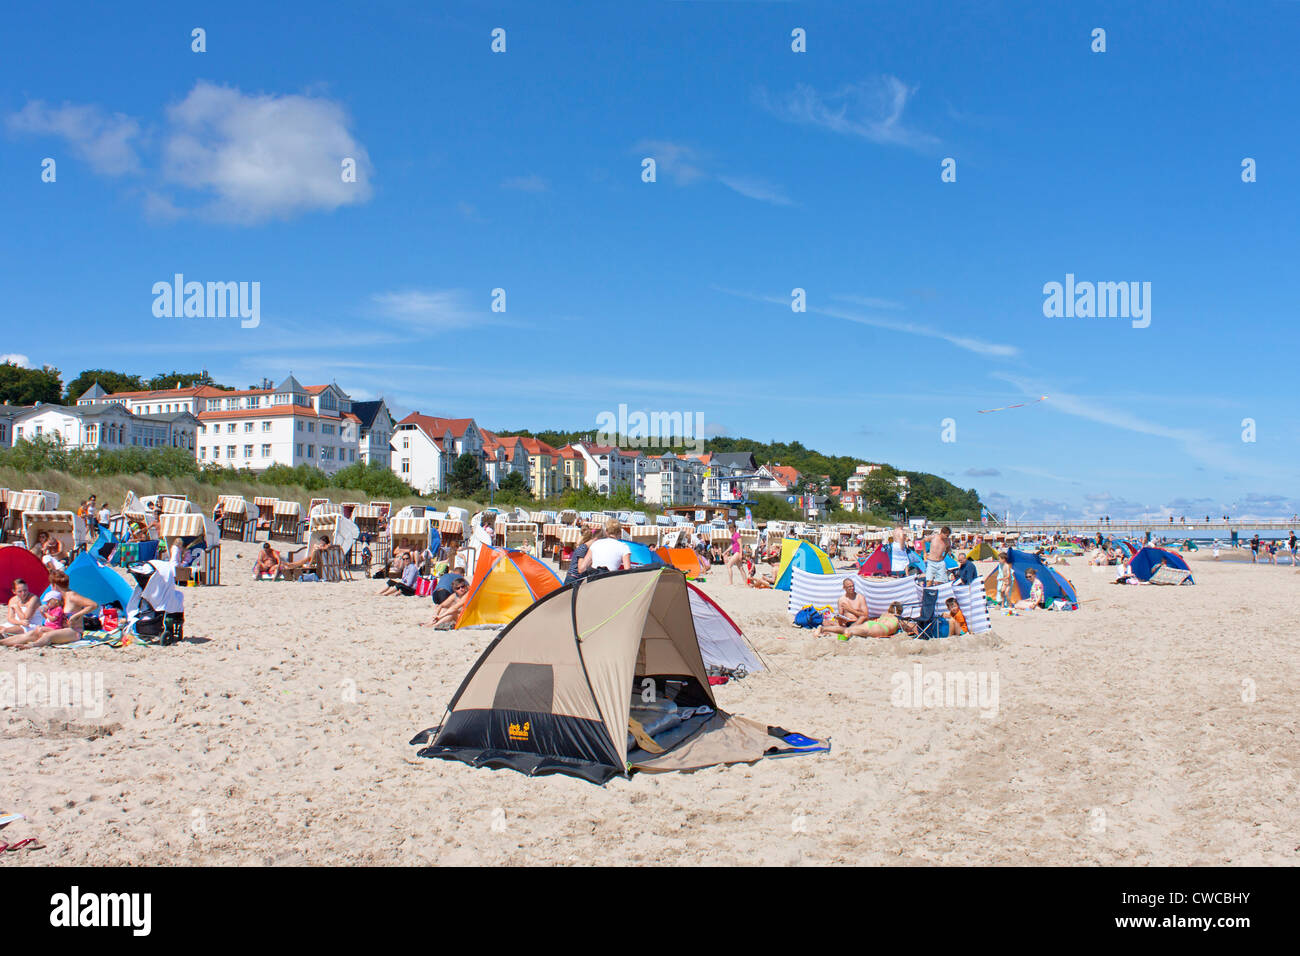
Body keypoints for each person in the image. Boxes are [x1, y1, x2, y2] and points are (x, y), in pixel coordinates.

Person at [1, 569, 97, 649]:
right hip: (60, 629)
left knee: (48, 636)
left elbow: (93, 605)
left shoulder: (72, 596)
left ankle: (31, 645)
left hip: (74, 631)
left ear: (54, 585)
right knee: (35, 632)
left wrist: (76, 615)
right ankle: (2, 642)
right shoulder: (59, 597)